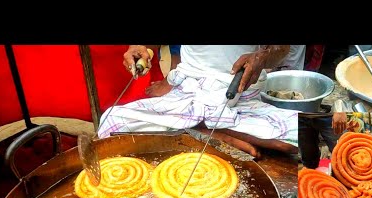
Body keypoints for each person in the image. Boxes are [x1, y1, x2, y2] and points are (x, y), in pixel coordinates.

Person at [98, 45, 298, 157]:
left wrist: (261, 57)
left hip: (239, 90)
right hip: (188, 89)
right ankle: (206, 130)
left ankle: (194, 128)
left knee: (293, 140)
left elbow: (281, 48)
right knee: (110, 121)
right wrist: (143, 48)